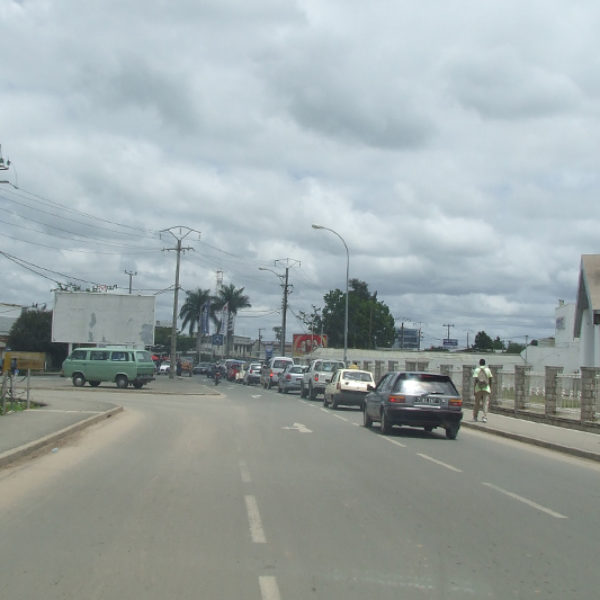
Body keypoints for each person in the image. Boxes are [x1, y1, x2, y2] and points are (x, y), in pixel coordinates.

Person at [472, 358, 492, 422]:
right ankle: (485, 417)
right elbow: (490, 379)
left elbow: (475, 380)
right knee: (485, 403)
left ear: (479, 363)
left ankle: (475, 417)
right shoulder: (488, 370)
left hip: (478, 389)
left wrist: (474, 389)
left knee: (477, 403)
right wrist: (490, 387)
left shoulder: (477, 370)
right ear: (485, 363)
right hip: (486, 389)